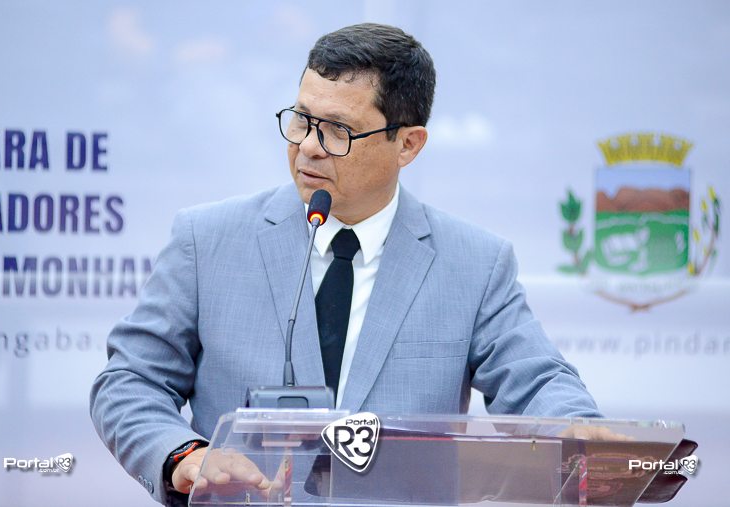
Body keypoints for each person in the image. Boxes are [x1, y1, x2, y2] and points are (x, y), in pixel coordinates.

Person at [90, 23, 601, 506]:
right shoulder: (206, 240)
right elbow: (130, 380)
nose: (308, 147)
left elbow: (537, 382)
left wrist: (586, 437)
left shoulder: (474, 264)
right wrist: (182, 454)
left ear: (408, 144)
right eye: (301, 119)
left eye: (337, 130)